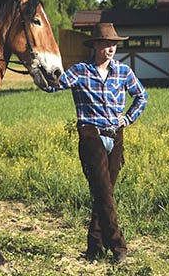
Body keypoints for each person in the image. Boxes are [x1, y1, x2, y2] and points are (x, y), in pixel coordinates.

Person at [44, 22, 148, 264]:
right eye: (107, 43)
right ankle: (118, 246)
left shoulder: (123, 72)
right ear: (96, 45)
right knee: (103, 192)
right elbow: (53, 86)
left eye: (114, 44)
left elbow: (142, 96)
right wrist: (39, 69)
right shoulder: (80, 71)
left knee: (105, 193)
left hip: (116, 135)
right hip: (90, 135)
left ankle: (94, 246)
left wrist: (129, 118)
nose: (111, 48)